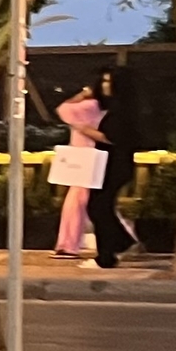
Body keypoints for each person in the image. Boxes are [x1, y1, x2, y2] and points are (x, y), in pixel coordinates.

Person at [85, 67, 139, 268]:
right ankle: (118, 244)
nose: (105, 86)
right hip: (110, 164)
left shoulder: (122, 110)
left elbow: (114, 137)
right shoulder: (118, 107)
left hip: (114, 165)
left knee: (99, 207)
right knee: (100, 207)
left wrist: (87, 131)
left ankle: (109, 253)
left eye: (109, 82)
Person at [52, 82, 104, 257]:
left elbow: (63, 109)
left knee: (77, 201)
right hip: (96, 156)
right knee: (94, 201)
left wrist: (81, 95)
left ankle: (68, 244)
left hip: (82, 157)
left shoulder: (89, 106)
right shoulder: (106, 108)